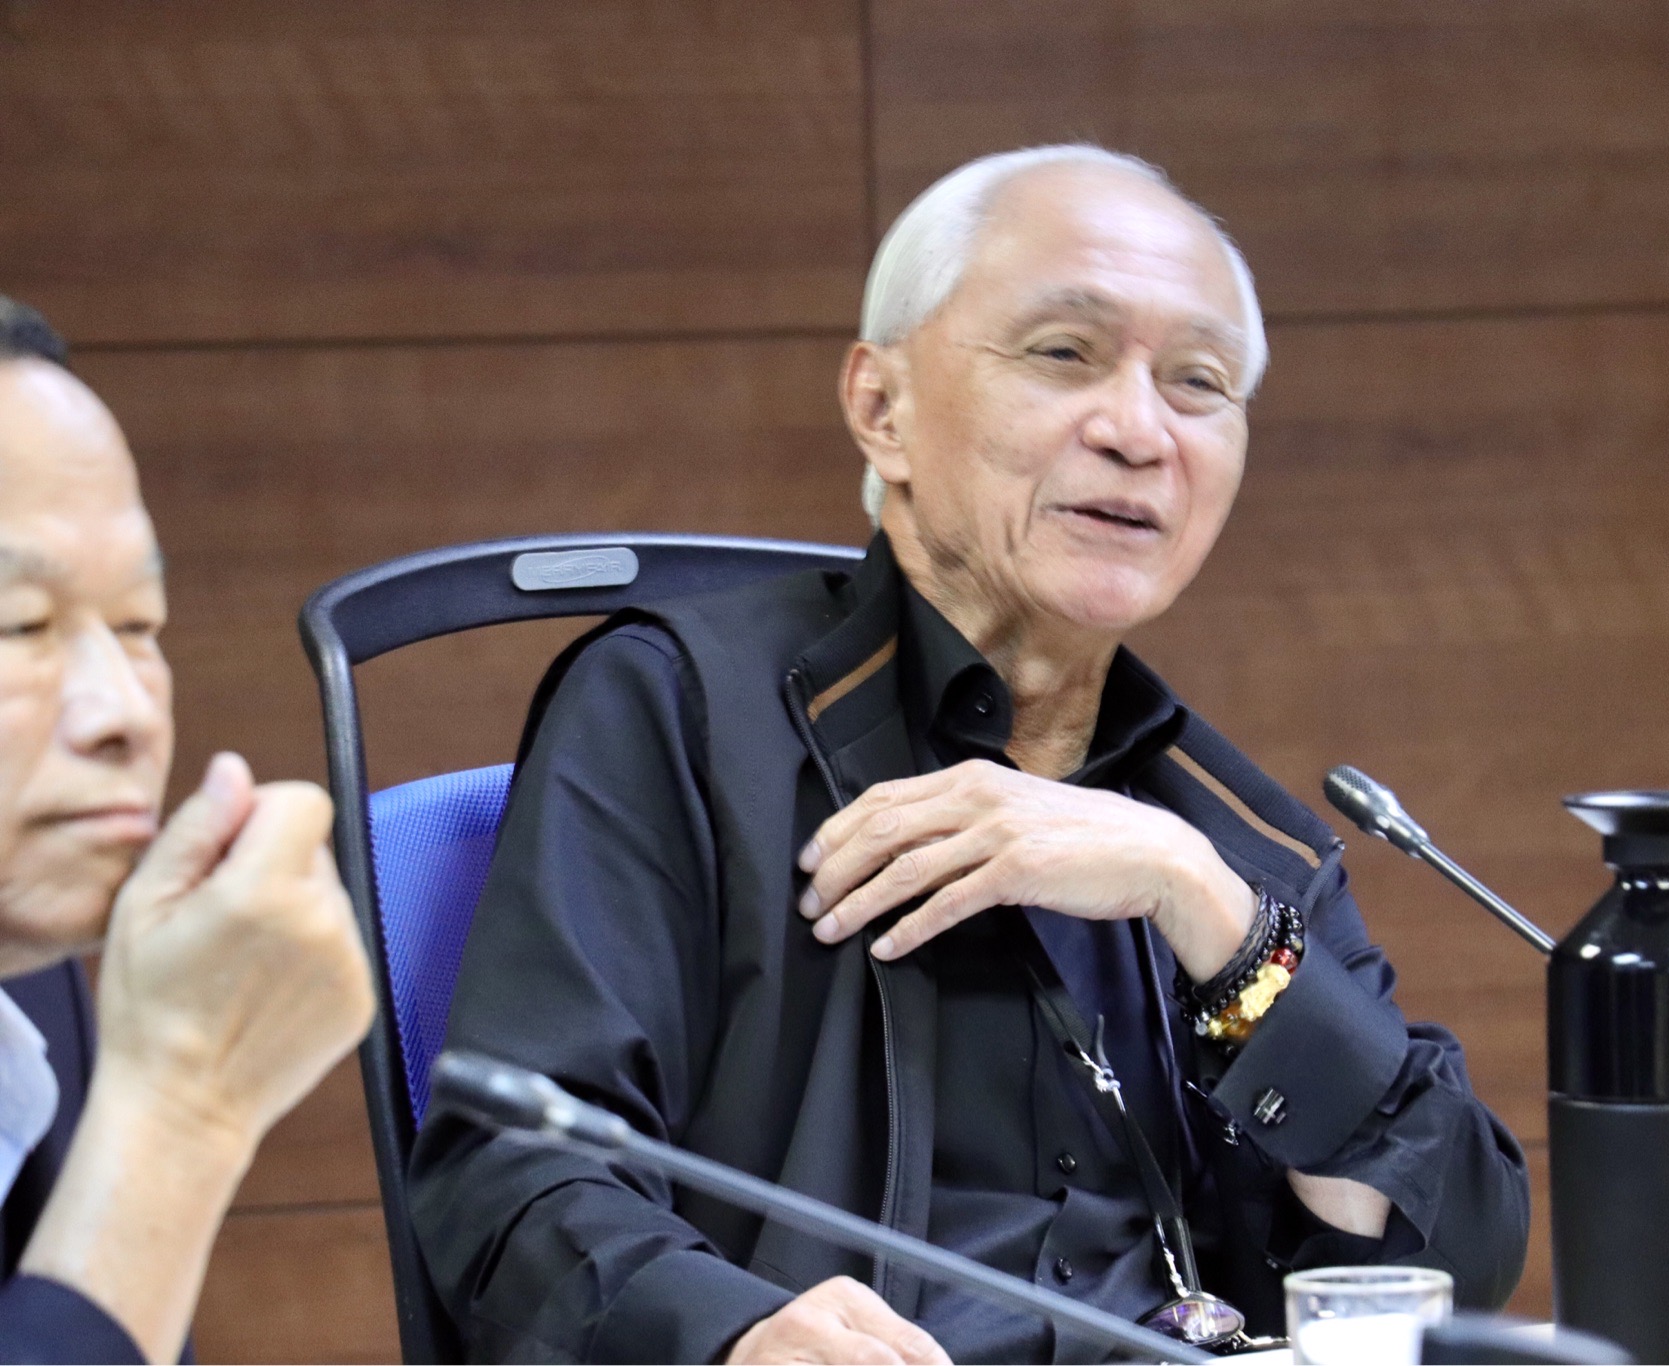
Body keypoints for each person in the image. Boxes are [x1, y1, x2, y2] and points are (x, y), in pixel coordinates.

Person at [411, 145, 1530, 1365]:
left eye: (1198, 383)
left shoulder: (1226, 837)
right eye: (1062, 353)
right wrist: (737, 1333)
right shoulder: (681, 711)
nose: (1138, 432)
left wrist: (1203, 904)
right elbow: (510, 1173)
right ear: (880, 409)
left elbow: (1453, 1256)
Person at [0, 297, 376, 1364]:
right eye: (22, 625)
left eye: (139, 625)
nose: (124, 710)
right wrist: (180, 1114)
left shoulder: (39, 972)